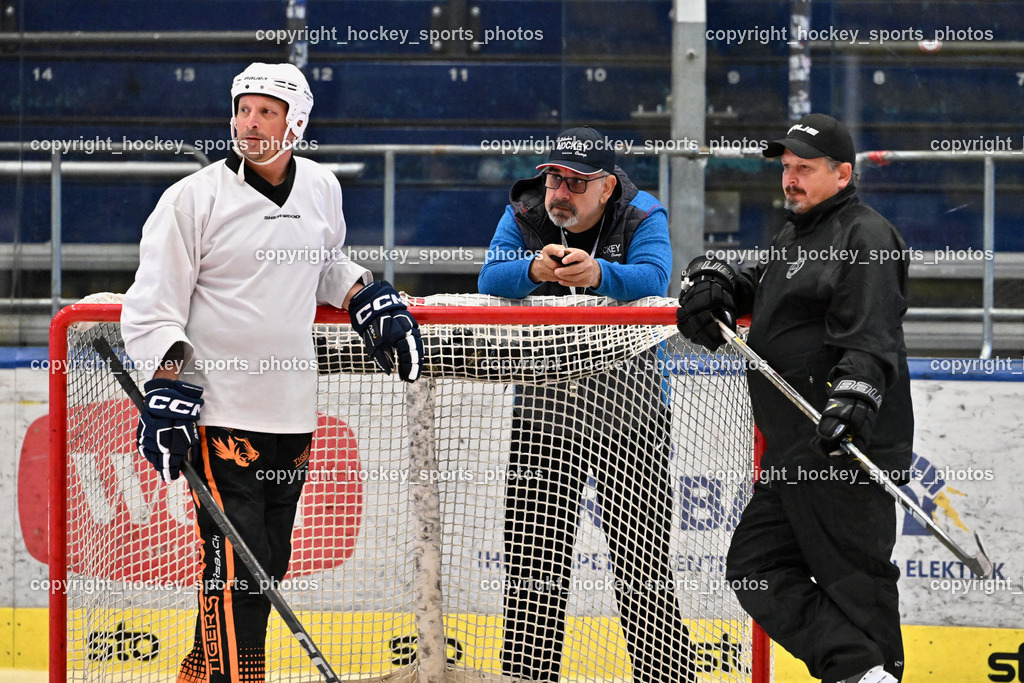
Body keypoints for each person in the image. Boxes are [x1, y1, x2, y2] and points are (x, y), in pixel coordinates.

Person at [121, 62, 423, 682]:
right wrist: (169, 383)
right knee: (240, 566)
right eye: (243, 110)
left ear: (297, 123)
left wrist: (362, 291)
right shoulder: (192, 198)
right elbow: (152, 307)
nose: (250, 123)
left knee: (268, 563)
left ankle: (202, 673)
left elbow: (323, 264)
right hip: (219, 410)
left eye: (266, 112)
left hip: (290, 412)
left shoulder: (321, 187)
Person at [677, 113, 914, 683]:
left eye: (804, 168)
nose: (790, 179)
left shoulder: (866, 236)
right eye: (786, 167)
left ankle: (870, 671)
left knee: (855, 585)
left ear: (842, 174)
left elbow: (871, 334)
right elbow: (762, 289)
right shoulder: (795, 235)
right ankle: (858, 669)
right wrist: (716, 280)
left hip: (840, 448)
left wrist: (853, 397)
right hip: (792, 452)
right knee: (755, 565)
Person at [479, 126, 692, 682]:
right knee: (532, 571)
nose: (560, 193)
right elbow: (489, 277)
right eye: (554, 178)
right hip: (544, 414)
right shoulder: (525, 211)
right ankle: (526, 678)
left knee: (643, 567)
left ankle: (666, 678)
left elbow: (655, 279)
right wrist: (533, 270)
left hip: (631, 416)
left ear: (607, 187)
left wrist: (600, 274)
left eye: (576, 182)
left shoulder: (642, 213)